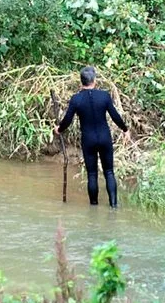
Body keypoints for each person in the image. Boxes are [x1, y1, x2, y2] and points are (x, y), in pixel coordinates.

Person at [54, 66, 129, 208]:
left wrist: (59, 129)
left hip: (88, 140)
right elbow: (115, 116)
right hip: (104, 138)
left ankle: (93, 206)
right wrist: (125, 129)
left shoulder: (76, 99)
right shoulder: (104, 96)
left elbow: (67, 120)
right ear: (94, 80)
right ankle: (113, 205)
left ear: (81, 82)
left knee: (92, 174)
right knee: (109, 172)